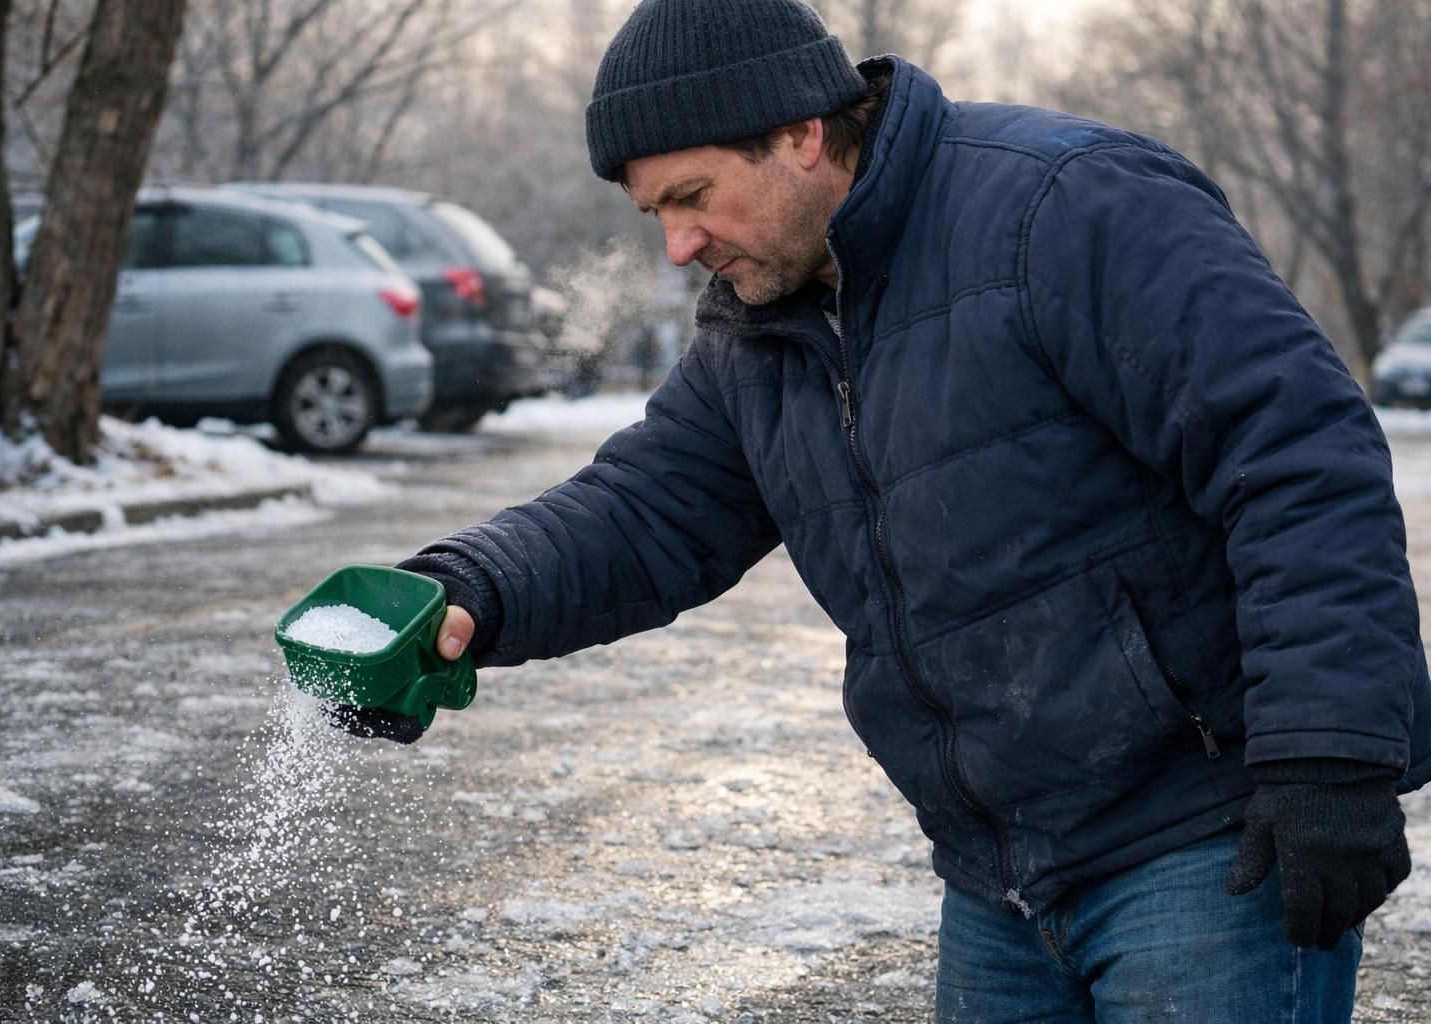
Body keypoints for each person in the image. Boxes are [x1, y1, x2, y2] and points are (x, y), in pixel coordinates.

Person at [334, 0, 1431, 1018]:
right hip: (999, 884)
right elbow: (646, 507)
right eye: (653, 211)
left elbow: (1294, 450)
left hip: (1205, 848)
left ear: (802, 132)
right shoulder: (759, 327)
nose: (676, 245)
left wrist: (1330, 757)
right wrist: (465, 588)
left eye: (691, 196)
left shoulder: (1068, 207)